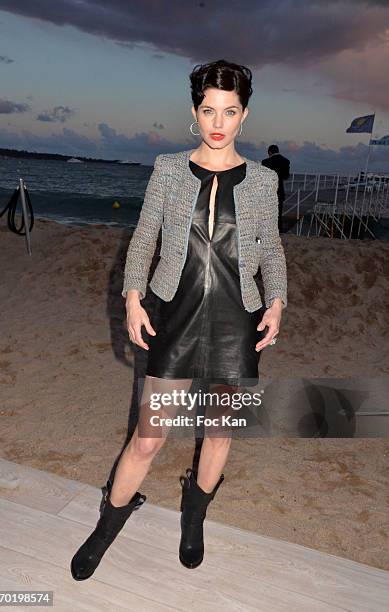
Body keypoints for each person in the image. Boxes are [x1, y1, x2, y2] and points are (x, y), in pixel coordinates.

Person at [70, 59, 288, 580]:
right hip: (178, 312)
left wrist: (277, 301)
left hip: (240, 320)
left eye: (230, 111)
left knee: (219, 433)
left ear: (244, 115)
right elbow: (144, 238)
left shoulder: (261, 181)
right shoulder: (168, 169)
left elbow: (273, 250)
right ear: (195, 111)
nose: (219, 121)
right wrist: (131, 295)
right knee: (149, 435)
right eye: (209, 109)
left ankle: (194, 512)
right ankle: (107, 524)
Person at [261, 144, 290, 232]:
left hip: (268, 191)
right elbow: (286, 177)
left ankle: (267, 231)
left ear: (269, 152)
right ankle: (279, 231)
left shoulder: (265, 162)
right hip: (279, 190)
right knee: (278, 213)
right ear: (277, 151)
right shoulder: (286, 161)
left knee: (266, 212)